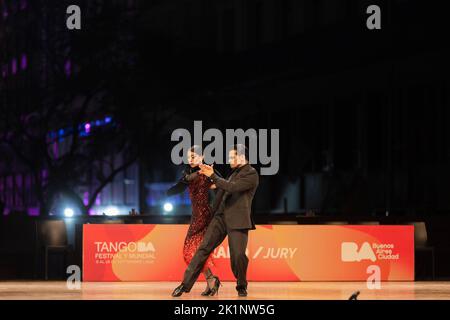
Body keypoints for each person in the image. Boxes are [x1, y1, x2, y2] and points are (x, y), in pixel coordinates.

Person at [172, 144, 259, 297]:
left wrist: (213, 176)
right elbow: (223, 193)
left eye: (232, 157)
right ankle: (184, 285)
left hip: (238, 220)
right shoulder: (233, 173)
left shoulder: (251, 174)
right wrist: (212, 212)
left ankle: (241, 285)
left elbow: (232, 188)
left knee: (238, 255)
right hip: (220, 217)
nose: (230, 160)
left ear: (242, 157)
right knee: (203, 249)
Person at [166, 145, 222, 296]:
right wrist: (168, 192)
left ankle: (210, 281)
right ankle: (211, 280)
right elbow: (178, 187)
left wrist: (213, 183)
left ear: (202, 156)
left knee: (191, 251)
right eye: (188, 156)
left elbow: (223, 186)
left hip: (207, 216)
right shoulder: (187, 172)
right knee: (194, 252)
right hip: (196, 216)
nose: (190, 159)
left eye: (193, 156)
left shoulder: (209, 170)